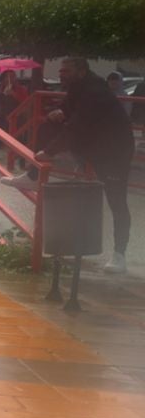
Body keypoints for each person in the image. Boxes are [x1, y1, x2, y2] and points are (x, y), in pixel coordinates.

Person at [41, 57, 134, 272]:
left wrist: (49, 152)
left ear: (81, 71)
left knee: (116, 199)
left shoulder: (94, 92)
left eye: (66, 70)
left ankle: (120, 255)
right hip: (95, 145)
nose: (61, 74)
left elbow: (77, 126)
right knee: (49, 123)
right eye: (61, 71)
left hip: (115, 150)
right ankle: (32, 174)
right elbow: (68, 109)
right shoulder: (77, 87)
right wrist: (60, 113)